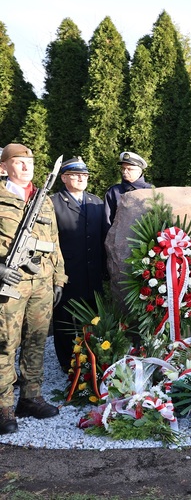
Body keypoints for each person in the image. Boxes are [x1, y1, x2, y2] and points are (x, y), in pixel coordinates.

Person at [0, 144, 67, 434]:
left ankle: (30, 397)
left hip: (42, 282)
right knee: (5, 345)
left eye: (30, 162)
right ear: (3, 168)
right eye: (19, 162)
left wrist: (59, 278)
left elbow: (54, 242)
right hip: (10, 284)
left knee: (37, 340)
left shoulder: (44, 200)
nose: (27, 167)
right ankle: (3, 407)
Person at [50, 157, 105, 372]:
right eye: (75, 174)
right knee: (64, 321)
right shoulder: (53, 202)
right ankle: (67, 364)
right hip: (67, 273)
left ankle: (93, 358)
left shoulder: (96, 202)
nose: (81, 178)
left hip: (92, 272)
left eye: (85, 175)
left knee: (93, 320)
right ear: (63, 178)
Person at [103, 151, 153, 237]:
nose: (124, 172)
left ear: (139, 171)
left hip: (147, 241)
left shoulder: (151, 190)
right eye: (123, 168)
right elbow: (107, 222)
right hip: (118, 242)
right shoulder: (114, 192)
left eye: (129, 169)